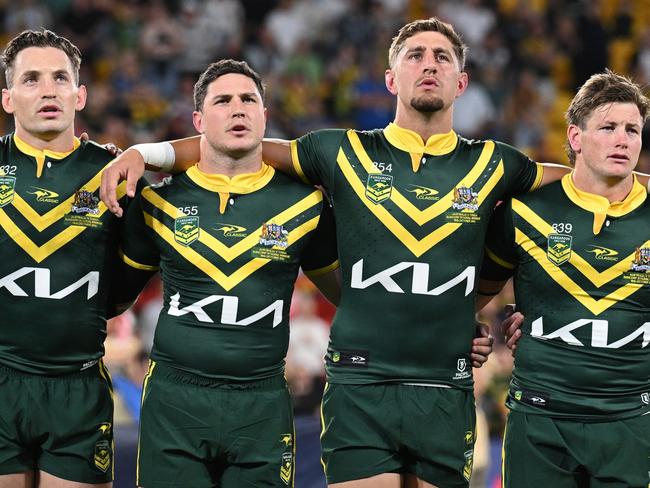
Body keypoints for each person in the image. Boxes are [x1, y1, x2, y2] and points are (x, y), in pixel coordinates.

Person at [99, 17, 579, 488]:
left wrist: (470, 314)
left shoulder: (497, 162)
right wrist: (148, 152)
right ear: (391, 78)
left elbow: (585, 186)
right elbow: (231, 147)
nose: (429, 65)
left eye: (442, 57)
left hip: (444, 387)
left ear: (463, 81)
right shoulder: (339, 153)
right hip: (357, 385)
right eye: (415, 55)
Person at [120, 59, 341, 488]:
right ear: (199, 120)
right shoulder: (155, 202)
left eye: (248, 100)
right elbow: (112, 299)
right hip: (174, 402)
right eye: (223, 100)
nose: (238, 109)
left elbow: (351, 297)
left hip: (261, 404)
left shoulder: (308, 206)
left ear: (265, 116)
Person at [478, 70, 650, 487]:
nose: (622, 139)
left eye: (633, 129)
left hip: (630, 420)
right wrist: (474, 328)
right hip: (540, 419)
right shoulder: (524, 211)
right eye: (608, 127)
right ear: (575, 137)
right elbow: (475, 292)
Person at [0, 30, 135, 488]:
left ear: (79, 95)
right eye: (31, 79)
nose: (47, 90)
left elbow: (125, 287)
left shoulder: (114, 175)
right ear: (8, 98)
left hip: (78, 386)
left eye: (60, 78)